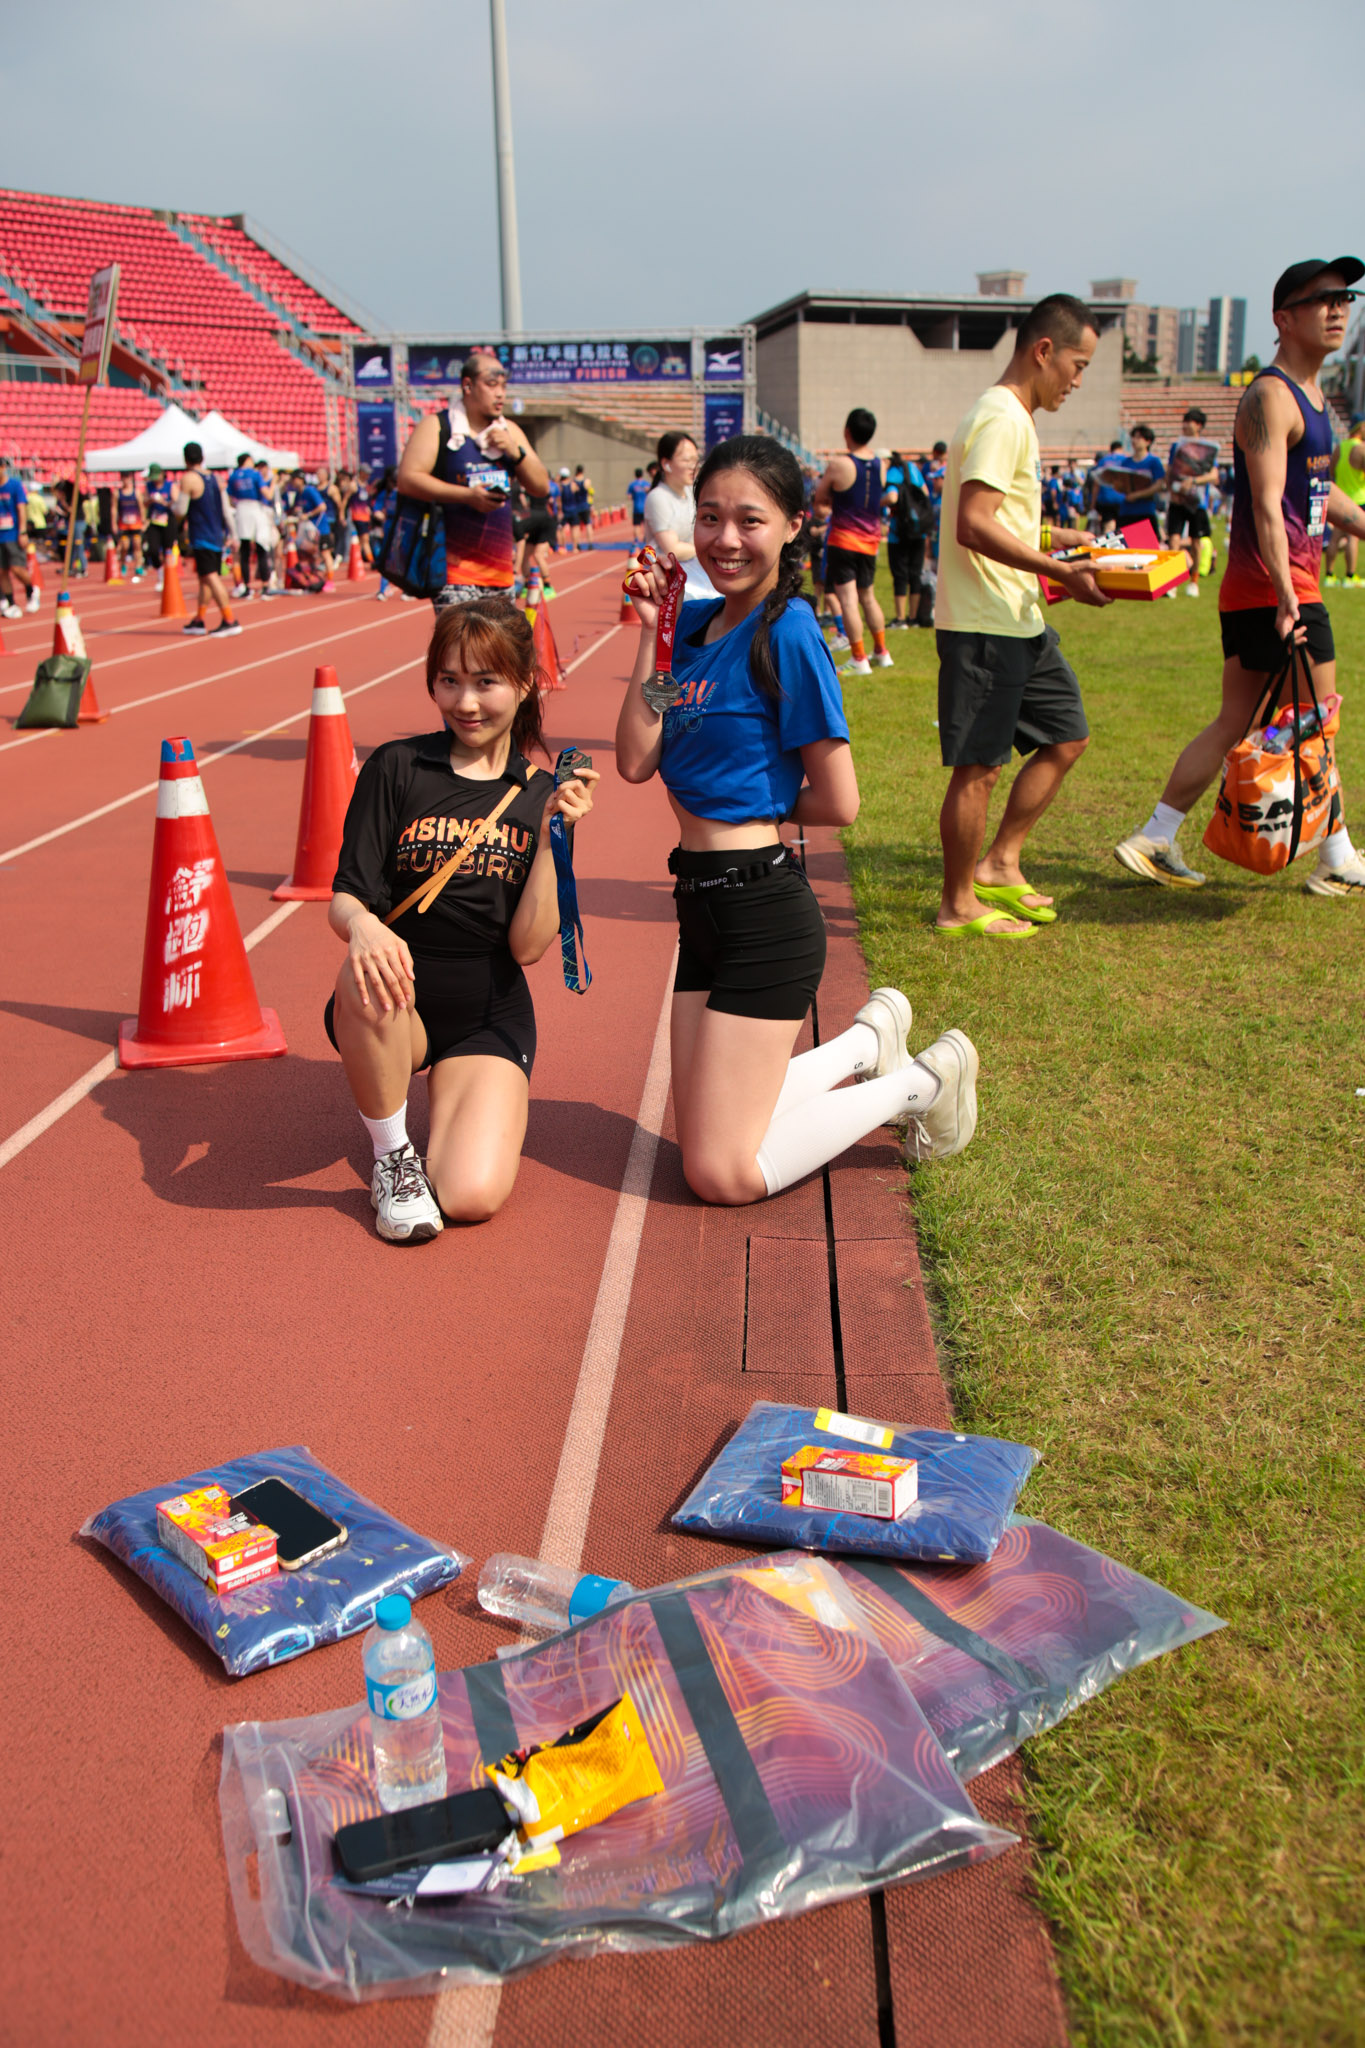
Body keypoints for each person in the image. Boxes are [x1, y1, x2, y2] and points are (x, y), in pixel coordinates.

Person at [616, 434, 979, 1204]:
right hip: (700, 908)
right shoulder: (688, 629)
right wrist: (654, 633)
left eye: (749, 520)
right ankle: (864, 1043)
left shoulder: (788, 633)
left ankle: (923, 1081)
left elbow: (838, 802)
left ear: (791, 526)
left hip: (761, 914)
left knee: (719, 1172)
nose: (724, 538)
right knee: (708, 1135)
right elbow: (636, 760)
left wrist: (751, 801)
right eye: (709, 517)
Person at [326, 597, 598, 1241]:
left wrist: (555, 838)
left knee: (470, 1197)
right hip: (395, 998)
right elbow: (346, 897)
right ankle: (393, 1158)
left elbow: (528, 947)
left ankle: (443, 1119)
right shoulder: (397, 766)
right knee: (367, 965)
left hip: (487, 1015)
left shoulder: (542, 794)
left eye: (485, 682)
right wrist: (362, 926)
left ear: (524, 683)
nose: (466, 702)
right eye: (449, 681)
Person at [1116, 254, 1365, 898]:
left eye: (1346, 298)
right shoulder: (1271, 396)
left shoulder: (1312, 399)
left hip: (1271, 588)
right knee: (1315, 719)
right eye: (1323, 299)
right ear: (1284, 318)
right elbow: (1266, 502)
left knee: (1244, 720)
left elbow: (1318, 492)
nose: (1338, 309)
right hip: (1277, 588)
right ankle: (1337, 859)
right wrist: (1286, 596)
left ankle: (1156, 835)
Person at [934, 293, 1110, 937]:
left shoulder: (1013, 418)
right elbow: (973, 524)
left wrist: (1058, 538)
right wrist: (1062, 572)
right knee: (979, 768)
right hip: (984, 622)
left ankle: (1000, 862)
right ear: (1044, 351)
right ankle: (957, 905)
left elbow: (999, 517)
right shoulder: (1003, 417)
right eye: (1077, 365)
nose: (1078, 380)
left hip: (1018, 618)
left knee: (1067, 736)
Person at [396, 353, 549, 610]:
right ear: (468, 386)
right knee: (465, 638)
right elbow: (408, 479)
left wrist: (516, 452)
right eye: (491, 384)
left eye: (503, 386)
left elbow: (541, 487)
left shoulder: (510, 431)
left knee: (500, 639)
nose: (500, 394)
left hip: (501, 574)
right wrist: (467, 496)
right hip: (453, 574)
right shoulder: (438, 427)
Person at [812, 407, 891, 675]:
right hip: (870, 541)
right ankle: (881, 651)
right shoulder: (880, 465)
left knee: (847, 600)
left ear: (847, 431)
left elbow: (820, 499)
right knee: (868, 596)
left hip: (844, 540)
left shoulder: (840, 465)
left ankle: (859, 658)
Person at [170, 442, 240, 637]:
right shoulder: (215, 478)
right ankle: (199, 619)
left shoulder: (189, 479)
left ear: (185, 459)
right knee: (204, 580)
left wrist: (171, 503)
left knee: (210, 577)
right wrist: (233, 534)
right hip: (216, 534)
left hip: (202, 535)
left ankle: (229, 619)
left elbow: (180, 510)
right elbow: (226, 510)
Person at [643, 430, 717, 600]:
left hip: (696, 577)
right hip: (668, 583)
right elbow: (673, 549)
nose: (693, 466)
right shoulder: (658, 497)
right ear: (666, 464)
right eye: (686, 460)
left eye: (695, 459)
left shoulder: (691, 492)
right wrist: (709, 548)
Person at [1165, 406, 1219, 597]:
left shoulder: (1207, 449)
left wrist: (1193, 481)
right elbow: (1170, 471)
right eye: (1185, 421)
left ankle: (1194, 580)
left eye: (1191, 421)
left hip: (1197, 502)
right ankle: (1172, 582)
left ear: (1199, 425)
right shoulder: (1177, 447)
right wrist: (1171, 489)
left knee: (1196, 542)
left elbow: (1213, 475)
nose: (1186, 425)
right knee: (1173, 540)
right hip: (1177, 500)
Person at [883, 449, 932, 628]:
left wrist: (878, 503)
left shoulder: (891, 473)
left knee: (900, 575)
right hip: (919, 529)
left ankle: (900, 618)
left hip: (899, 531)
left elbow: (892, 497)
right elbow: (925, 493)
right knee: (915, 574)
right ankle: (913, 617)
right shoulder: (912, 468)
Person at [1324, 415, 1365, 586]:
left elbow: (1331, 471)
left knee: (1335, 538)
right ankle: (1349, 576)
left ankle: (1329, 575)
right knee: (1353, 538)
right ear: (1360, 427)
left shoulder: (1340, 447)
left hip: (1339, 498)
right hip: (1357, 498)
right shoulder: (1361, 449)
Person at [228, 451, 271, 599]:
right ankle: (265, 586)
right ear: (247, 460)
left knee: (244, 551)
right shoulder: (255, 474)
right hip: (255, 510)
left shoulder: (233, 476)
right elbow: (268, 494)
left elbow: (230, 497)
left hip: (241, 510)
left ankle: (247, 587)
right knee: (262, 548)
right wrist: (274, 483)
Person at [1114, 424, 1165, 539]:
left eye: (1138, 437)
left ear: (1148, 441)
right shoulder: (1126, 462)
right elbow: (1120, 485)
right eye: (1133, 437)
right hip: (1126, 512)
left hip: (1145, 511)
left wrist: (1138, 495)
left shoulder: (1153, 461)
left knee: (1146, 547)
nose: (1134, 440)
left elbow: (1159, 484)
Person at [0, 457, 36, 616]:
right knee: (1, 572)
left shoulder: (14, 485)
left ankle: (31, 591)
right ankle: (11, 603)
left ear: (3, 468)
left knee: (16, 569)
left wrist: (22, 532)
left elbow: (21, 509)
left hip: (13, 534)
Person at [143, 463, 174, 578]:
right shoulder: (149, 486)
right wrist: (151, 500)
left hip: (168, 520)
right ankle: (160, 572)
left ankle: (169, 575)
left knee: (168, 549)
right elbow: (144, 503)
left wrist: (164, 502)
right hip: (154, 521)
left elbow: (176, 503)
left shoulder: (170, 485)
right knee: (153, 549)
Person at [116, 471, 145, 580]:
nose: (125, 480)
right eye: (123, 478)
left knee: (137, 545)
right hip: (124, 525)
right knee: (125, 546)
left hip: (136, 524)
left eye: (127, 478)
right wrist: (114, 523)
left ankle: (138, 566)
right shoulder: (117, 493)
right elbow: (114, 509)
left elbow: (141, 507)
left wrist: (143, 521)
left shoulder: (136, 492)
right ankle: (123, 564)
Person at [627, 466, 650, 541]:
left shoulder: (632, 485)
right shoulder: (647, 484)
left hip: (636, 508)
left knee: (637, 525)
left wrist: (635, 497)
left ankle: (636, 539)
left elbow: (629, 497)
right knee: (646, 525)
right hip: (645, 508)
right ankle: (646, 537)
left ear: (635, 474)